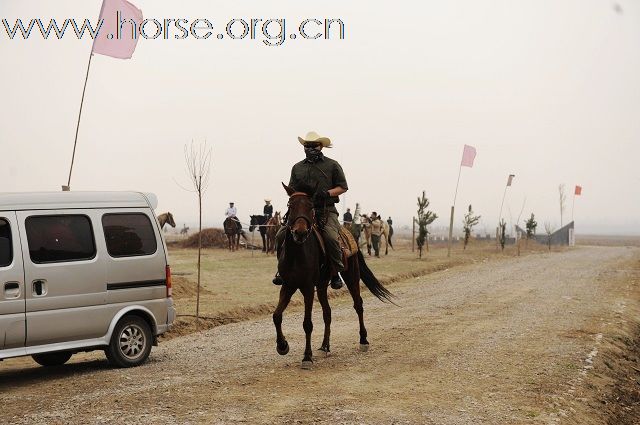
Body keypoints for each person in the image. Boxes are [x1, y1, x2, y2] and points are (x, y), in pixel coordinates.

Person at [273, 131, 348, 290]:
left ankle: (336, 272)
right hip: (302, 211)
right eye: (307, 146)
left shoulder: (332, 165)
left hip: (325, 210)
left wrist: (327, 193)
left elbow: (343, 187)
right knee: (280, 235)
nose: (310, 148)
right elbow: (292, 190)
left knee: (330, 237)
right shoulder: (297, 167)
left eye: (313, 145)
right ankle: (281, 270)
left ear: (321, 146)